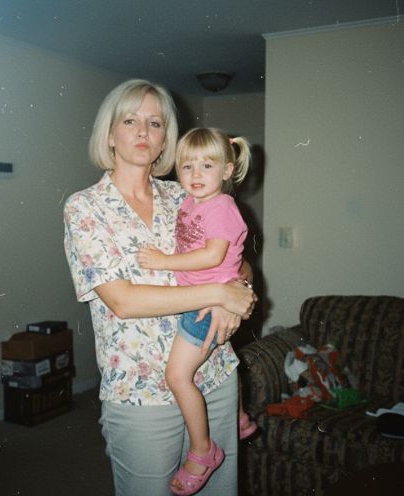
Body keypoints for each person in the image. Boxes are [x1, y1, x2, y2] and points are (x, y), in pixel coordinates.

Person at [63, 79, 257, 496]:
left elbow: (237, 260)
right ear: (109, 134)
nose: (143, 132)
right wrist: (219, 294)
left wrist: (238, 290)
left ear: (166, 137)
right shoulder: (85, 208)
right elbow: (123, 301)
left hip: (215, 374)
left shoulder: (186, 192)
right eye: (129, 121)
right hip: (141, 390)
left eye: (155, 123)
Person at [136, 127, 258, 494]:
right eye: (187, 166)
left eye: (207, 166)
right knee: (223, 355)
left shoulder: (222, 207)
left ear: (227, 170)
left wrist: (163, 261)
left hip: (205, 306)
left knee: (177, 376)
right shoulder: (192, 202)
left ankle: (203, 451)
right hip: (205, 301)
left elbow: (212, 256)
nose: (195, 174)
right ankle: (240, 419)